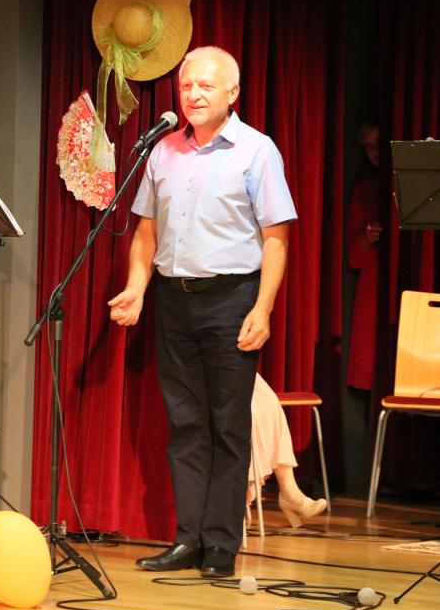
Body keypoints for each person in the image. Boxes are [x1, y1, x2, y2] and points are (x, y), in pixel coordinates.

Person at [108, 45, 297, 578]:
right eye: (187, 85)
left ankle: (220, 544)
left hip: (232, 298)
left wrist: (263, 308)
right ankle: (188, 539)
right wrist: (137, 287)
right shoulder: (162, 150)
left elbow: (276, 237)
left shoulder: (257, 151)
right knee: (186, 423)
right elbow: (146, 230)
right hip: (174, 299)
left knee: (227, 426)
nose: (193, 94)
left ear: (232, 93)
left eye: (206, 86)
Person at [248, 374, 327, 527]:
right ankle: (289, 497)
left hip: (233, 366)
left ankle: (289, 491)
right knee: (250, 409)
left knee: (269, 401)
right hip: (205, 373)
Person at [346, 119, 381, 390]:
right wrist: (366, 240)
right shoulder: (365, 191)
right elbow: (354, 258)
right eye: (369, 147)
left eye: (378, 145)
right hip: (375, 288)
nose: (374, 153)